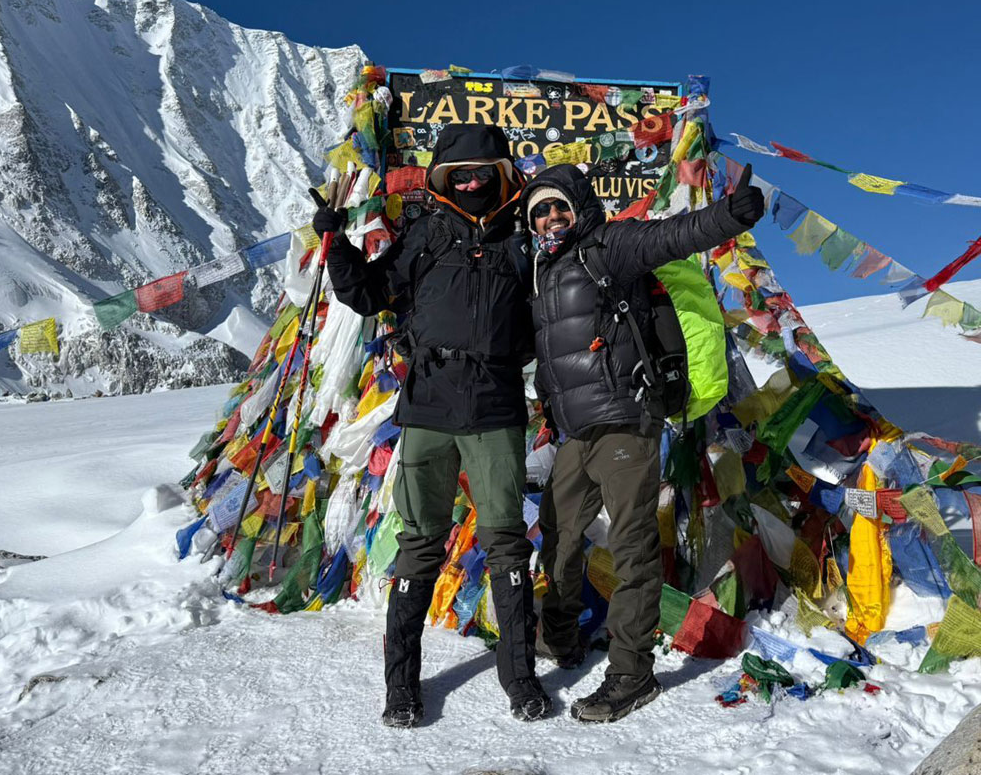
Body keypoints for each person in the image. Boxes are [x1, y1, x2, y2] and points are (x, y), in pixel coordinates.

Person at [314, 123, 551, 727]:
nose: (471, 183)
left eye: (481, 174)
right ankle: (401, 688)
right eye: (458, 176)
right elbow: (368, 295)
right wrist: (336, 245)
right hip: (428, 411)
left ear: (503, 177)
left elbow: (545, 325)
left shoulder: (523, 245)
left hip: (495, 410)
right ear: (443, 183)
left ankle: (520, 679)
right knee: (420, 543)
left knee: (505, 542)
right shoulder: (426, 236)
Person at [524, 161, 765, 722]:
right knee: (559, 537)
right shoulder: (541, 271)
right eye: (541, 211)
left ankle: (632, 675)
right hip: (575, 433)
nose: (552, 217)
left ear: (579, 207)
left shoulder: (609, 246)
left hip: (627, 422)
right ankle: (558, 639)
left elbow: (673, 234)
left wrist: (726, 217)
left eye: (560, 205)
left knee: (632, 548)